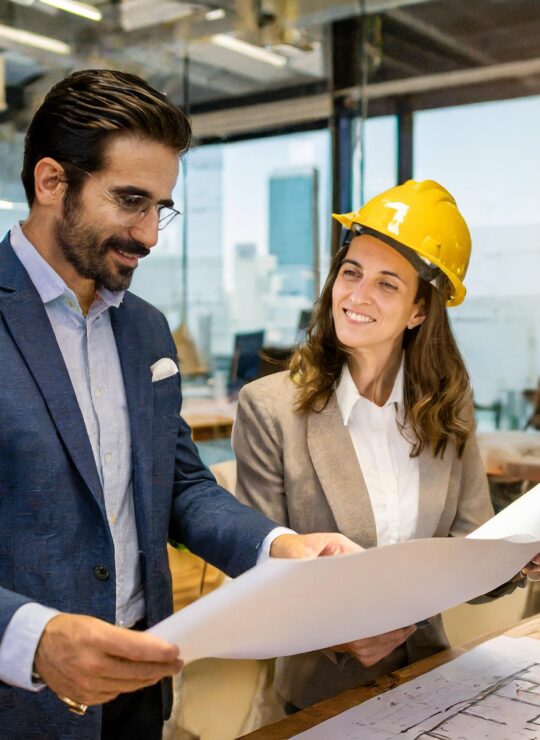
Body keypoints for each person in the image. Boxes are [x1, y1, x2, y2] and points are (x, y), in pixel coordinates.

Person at [0, 69, 360, 739]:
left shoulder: (144, 329)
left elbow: (182, 489)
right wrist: (31, 638)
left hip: (142, 686)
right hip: (21, 704)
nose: (150, 235)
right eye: (130, 201)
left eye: (160, 207)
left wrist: (277, 547)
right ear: (52, 183)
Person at [233, 179, 540, 711]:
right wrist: (335, 633)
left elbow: (465, 555)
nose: (356, 296)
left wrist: (513, 561)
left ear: (419, 311)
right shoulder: (270, 408)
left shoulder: (446, 409)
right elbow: (254, 569)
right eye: (351, 273)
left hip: (432, 681)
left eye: (387, 284)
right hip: (314, 700)